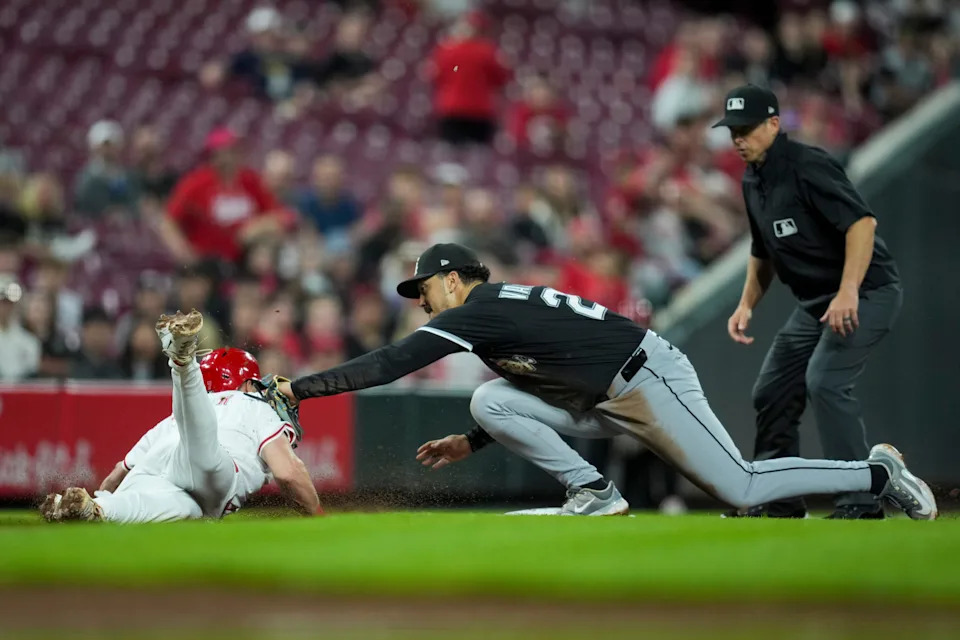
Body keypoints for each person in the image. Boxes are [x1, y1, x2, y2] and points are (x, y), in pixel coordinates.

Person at [276, 243, 935, 519]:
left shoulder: (480, 308)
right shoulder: (492, 310)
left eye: (423, 288)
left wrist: (300, 388)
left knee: (741, 486)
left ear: (452, 278)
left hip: (646, 377)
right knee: (488, 399)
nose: (421, 301)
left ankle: (877, 475)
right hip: (603, 393)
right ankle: (593, 492)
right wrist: (474, 443)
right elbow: (535, 387)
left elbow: (392, 362)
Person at [715, 85, 902, 519]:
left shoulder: (807, 165)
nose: (738, 138)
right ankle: (777, 499)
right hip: (816, 304)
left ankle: (860, 498)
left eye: (746, 129)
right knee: (772, 391)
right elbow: (762, 250)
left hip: (867, 291)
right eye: (732, 131)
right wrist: (746, 305)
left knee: (826, 382)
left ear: (774, 125)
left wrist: (848, 290)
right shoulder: (752, 178)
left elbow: (862, 224)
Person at [42, 312, 320, 523]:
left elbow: (117, 474)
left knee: (179, 508)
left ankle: (94, 508)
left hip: (166, 462)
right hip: (214, 469)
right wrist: (316, 514)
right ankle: (183, 364)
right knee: (202, 452)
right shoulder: (253, 403)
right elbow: (286, 472)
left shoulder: (169, 422)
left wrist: (103, 494)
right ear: (247, 382)